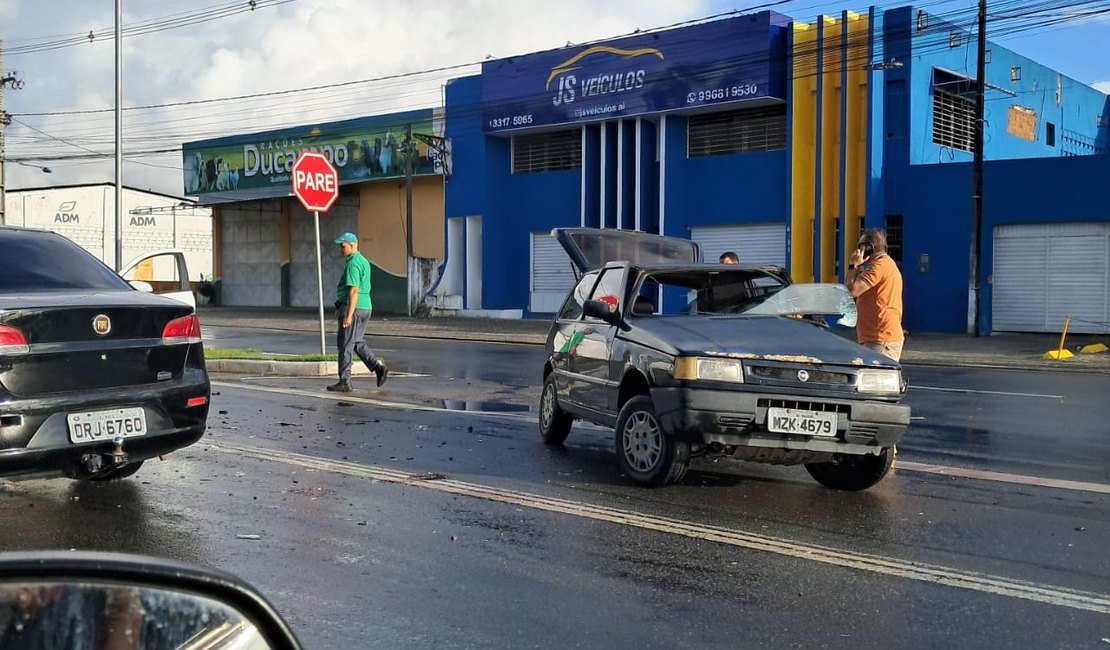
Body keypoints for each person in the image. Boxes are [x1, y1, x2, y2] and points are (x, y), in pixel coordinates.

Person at [328, 232, 388, 392]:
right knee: (357, 342)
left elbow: (353, 290)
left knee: (345, 344)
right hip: (365, 307)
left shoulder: (353, 263)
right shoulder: (363, 261)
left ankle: (345, 380)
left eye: (343, 246)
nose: (341, 249)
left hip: (353, 308)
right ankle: (377, 366)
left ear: (352, 245)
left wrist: (348, 314)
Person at [846, 228, 904, 361]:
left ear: (869, 247)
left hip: (881, 338)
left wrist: (853, 265)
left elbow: (851, 291)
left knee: (876, 379)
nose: (857, 250)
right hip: (876, 336)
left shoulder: (879, 266)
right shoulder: (884, 264)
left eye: (859, 246)